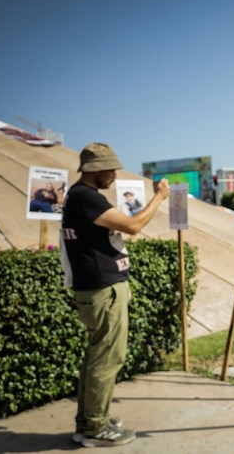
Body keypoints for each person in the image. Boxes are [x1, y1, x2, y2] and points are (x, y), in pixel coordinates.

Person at [60, 142, 170, 447]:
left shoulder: (80, 196)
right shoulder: (86, 197)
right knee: (107, 358)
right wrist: (159, 197)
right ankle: (95, 429)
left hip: (99, 289)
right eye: (109, 169)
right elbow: (134, 225)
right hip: (102, 290)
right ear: (95, 170)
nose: (113, 175)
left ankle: (90, 421)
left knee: (98, 356)